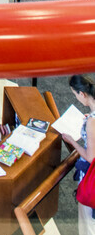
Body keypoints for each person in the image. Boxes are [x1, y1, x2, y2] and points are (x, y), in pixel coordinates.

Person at [62, 74, 95, 235]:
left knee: (87, 224)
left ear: (82, 94)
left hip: (91, 177)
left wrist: (72, 141)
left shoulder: (92, 122)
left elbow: (90, 157)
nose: (76, 98)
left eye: (75, 94)